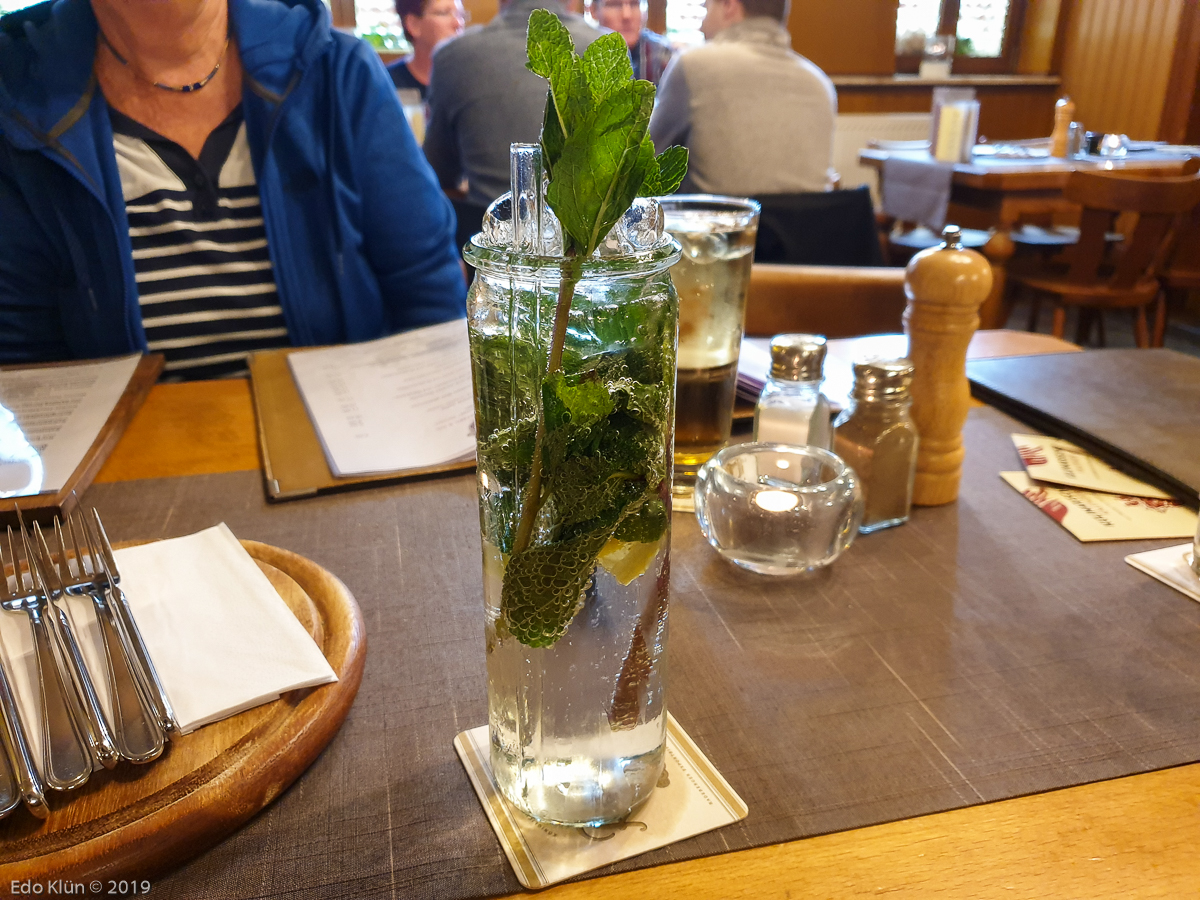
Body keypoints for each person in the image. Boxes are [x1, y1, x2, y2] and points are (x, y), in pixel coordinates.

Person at [0, 0, 465, 379]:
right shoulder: (15, 98)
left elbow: (427, 297)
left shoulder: (336, 72)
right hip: (125, 461)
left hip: (348, 447)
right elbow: (31, 371)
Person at [423, 0, 604, 212]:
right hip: (585, 230)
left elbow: (437, 173)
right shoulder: (602, 48)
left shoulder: (453, 55)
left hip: (487, 226)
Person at [649, 0, 836, 196]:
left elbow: (646, 162)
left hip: (718, 215)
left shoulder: (694, 66)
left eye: (707, 7)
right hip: (808, 218)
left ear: (728, 5)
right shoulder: (821, 85)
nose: (701, 26)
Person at [388, 0, 467, 101]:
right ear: (413, 24)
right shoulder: (387, 83)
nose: (458, 23)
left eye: (460, 15)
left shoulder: (472, 79)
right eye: (444, 13)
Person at [589, 0, 672, 85]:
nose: (627, 15)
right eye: (615, 5)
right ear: (593, 10)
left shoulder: (662, 54)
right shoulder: (585, 55)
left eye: (634, 4)